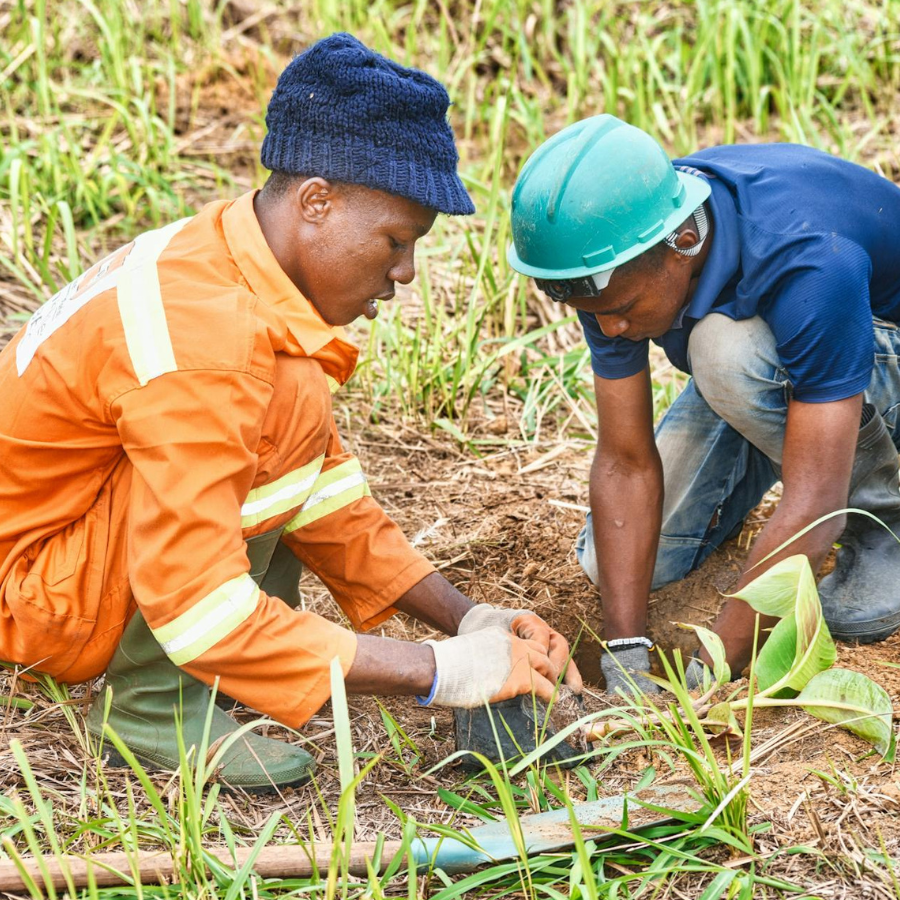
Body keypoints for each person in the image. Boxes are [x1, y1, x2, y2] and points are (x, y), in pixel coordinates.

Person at [0, 33, 580, 792]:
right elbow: (196, 599)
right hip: (34, 594)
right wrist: (438, 671)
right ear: (316, 201)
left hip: (63, 546)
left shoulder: (228, 259)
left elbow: (326, 496)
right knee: (270, 415)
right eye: (396, 241)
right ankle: (153, 709)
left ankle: (245, 663)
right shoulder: (209, 341)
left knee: (287, 399)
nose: (404, 274)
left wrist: (467, 619)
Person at [506, 114, 900, 695]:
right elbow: (624, 461)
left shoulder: (812, 259)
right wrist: (624, 649)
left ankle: (885, 523)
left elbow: (817, 501)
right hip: (786, 361)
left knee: (724, 352)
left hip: (874, 343)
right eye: (594, 314)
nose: (611, 329)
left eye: (625, 308)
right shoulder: (612, 268)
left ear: (685, 243)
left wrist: (708, 675)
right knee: (619, 559)